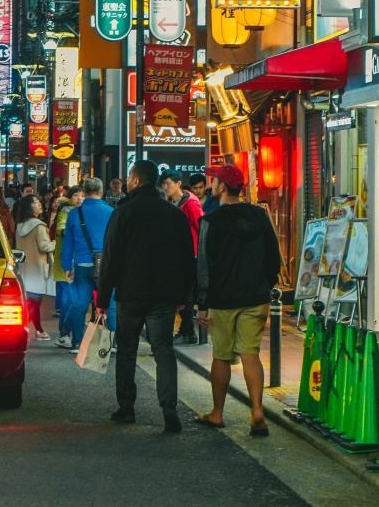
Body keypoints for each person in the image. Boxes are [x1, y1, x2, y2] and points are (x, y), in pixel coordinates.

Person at [97, 160, 195, 432]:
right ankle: (169, 408)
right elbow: (188, 258)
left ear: (136, 181)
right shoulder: (174, 214)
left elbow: (110, 258)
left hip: (129, 295)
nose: (127, 181)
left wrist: (103, 300)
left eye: (129, 177)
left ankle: (127, 407)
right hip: (164, 296)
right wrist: (184, 295)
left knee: (127, 350)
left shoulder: (123, 213)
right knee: (163, 349)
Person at [194, 164, 282, 437]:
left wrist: (203, 303)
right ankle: (257, 410)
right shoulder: (259, 215)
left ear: (222, 186)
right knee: (250, 353)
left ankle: (217, 414)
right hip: (255, 297)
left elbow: (204, 264)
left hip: (222, 299)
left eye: (215, 180)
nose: (211, 184)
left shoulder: (210, 221)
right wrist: (265, 285)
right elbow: (273, 256)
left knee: (221, 356)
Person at [59, 177, 114, 352]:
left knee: (79, 304)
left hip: (82, 264)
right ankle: (110, 344)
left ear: (84, 192)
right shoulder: (110, 212)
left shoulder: (75, 213)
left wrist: (66, 265)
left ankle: (77, 342)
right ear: (101, 192)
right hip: (106, 265)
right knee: (110, 304)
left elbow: (68, 242)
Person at [160, 169, 203, 345]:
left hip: (190, 255)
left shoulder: (191, 203)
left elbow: (201, 228)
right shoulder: (170, 202)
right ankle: (186, 331)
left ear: (178, 183)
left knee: (187, 295)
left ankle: (188, 332)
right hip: (176, 254)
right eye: (163, 183)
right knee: (182, 294)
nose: (165, 187)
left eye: (168, 183)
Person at [13, 194, 55, 340]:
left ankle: (38, 330)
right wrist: (55, 243)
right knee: (35, 301)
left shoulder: (19, 225)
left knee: (31, 301)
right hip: (38, 268)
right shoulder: (39, 226)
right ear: (29, 207)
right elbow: (44, 246)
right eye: (36, 202)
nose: (40, 204)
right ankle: (23, 329)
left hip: (24, 268)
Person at [51, 186, 82, 345]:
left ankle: (65, 334)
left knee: (67, 300)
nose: (79, 198)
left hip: (72, 262)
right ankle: (64, 334)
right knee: (71, 299)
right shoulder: (66, 211)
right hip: (66, 263)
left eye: (82, 195)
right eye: (76, 195)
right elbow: (61, 228)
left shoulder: (80, 212)